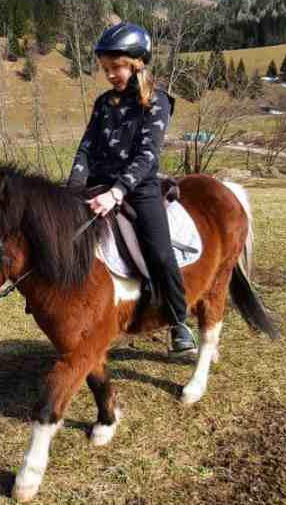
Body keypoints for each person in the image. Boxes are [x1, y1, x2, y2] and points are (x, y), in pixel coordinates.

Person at [67, 20, 197, 354]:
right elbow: (85, 148)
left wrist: (118, 190)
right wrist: (72, 190)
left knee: (158, 249)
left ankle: (178, 320)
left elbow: (147, 154)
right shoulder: (102, 103)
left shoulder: (157, 102)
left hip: (138, 187)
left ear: (137, 63)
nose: (110, 74)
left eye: (116, 67)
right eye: (105, 68)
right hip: (97, 183)